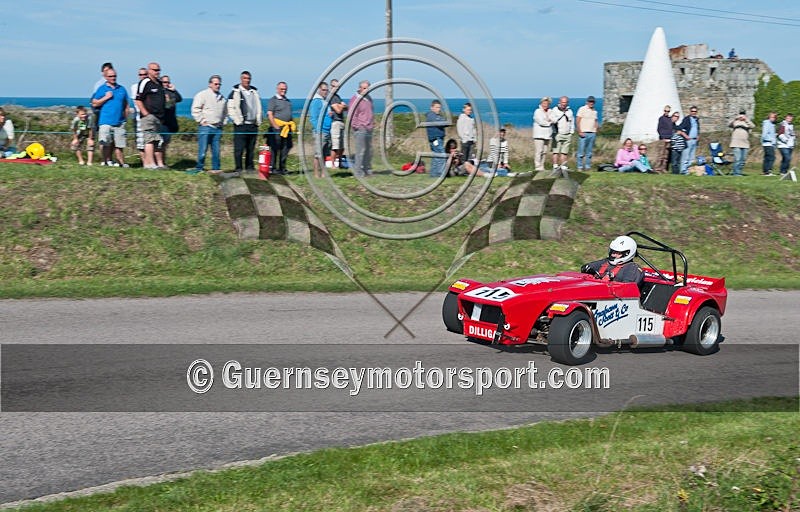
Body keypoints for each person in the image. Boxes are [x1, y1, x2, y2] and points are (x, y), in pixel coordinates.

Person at [91, 66, 130, 167]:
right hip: (105, 121)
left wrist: (125, 118)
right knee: (105, 143)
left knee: (119, 144)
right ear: (106, 77)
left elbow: (126, 104)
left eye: (115, 76)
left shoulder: (122, 89)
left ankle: (121, 162)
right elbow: (94, 103)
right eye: (111, 76)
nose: (113, 78)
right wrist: (106, 97)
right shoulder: (102, 89)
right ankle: (105, 161)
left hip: (119, 121)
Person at [191, 74, 227, 174]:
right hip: (205, 127)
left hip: (217, 128)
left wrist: (223, 123)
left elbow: (225, 112)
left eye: (219, 84)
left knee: (216, 151)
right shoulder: (202, 95)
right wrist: (201, 120)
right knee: (202, 150)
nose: (218, 86)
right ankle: (199, 168)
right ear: (210, 84)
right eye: (216, 84)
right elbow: (195, 109)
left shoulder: (222, 98)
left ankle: (216, 168)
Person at [227, 71, 262, 173]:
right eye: (245, 78)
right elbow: (230, 108)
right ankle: (238, 168)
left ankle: (249, 168)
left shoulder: (254, 92)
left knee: (250, 148)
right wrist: (237, 120)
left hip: (252, 125)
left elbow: (258, 106)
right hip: (241, 125)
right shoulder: (235, 92)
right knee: (239, 148)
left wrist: (258, 120)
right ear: (241, 79)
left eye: (248, 78)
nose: (247, 80)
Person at [135, 62, 167, 169]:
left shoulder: (159, 83)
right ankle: (150, 164)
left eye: (158, 70)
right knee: (149, 140)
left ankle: (158, 163)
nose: (157, 72)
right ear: (149, 70)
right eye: (155, 70)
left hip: (159, 118)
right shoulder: (145, 82)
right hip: (148, 117)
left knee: (158, 141)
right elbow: (138, 99)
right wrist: (146, 114)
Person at [267, 81, 294, 175]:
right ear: (277, 89)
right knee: (275, 148)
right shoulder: (273, 100)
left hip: (287, 129)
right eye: (282, 89)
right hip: (277, 128)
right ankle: (273, 168)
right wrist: (275, 126)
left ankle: (282, 168)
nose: (284, 91)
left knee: (286, 147)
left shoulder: (287, 101)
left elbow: (289, 115)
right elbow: (270, 114)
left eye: (285, 89)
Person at [349, 80, 374, 177]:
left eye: (367, 88)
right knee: (360, 151)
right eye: (364, 88)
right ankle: (358, 171)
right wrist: (357, 126)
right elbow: (352, 115)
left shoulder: (369, 98)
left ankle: (367, 169)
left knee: (369, 150)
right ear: (359, 88)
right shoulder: (355, 99)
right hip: (361, 128)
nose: (365, 90)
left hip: (369, 127)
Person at [309, 81, 332, 178]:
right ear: (319, 89)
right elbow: (313, 118)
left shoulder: (325, 101)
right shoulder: (316, 101)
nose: (325, 92)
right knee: (318, 154)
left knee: (325, 154)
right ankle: (316, 174)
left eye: (327, 90)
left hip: (327, 130)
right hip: (320, 131)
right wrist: (319, 129)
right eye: (323, 90)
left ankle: (323, 173)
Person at [160, 74, 182, 168]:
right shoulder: (159, 92)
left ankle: (163, 162)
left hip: (170, 121)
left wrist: (174, 90)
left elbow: (179, 99)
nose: (166, 84)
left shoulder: (170, 92)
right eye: (164, 82)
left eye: (168, 82)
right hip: (162, 121)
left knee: (165, 143)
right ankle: (160, 162)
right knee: (160, 143)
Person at [551, 96, 574, 173]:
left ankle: (563, 166)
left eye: (565, 102)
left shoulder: (570, 111)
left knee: (565, 152)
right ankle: (555, 166)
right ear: (559, 102)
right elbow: (553, 120)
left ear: (567, 103)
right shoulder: (555, 110)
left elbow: (572, 122)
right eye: (563, 102)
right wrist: (561, 114)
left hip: (567, 134)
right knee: (556, 151)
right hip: (557, 133)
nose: (564, 104)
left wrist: (571, 132)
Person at [728, 110, 755, 176]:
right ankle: (736, 173)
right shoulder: (735, 122)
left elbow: (753, 126)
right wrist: (735, 119)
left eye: (743, 114)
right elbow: (729, 125)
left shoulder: (747, 122)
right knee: (737, 159)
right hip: (736, 143)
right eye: (740, 114)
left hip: (745, 143)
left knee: (743, 160)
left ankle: (739, 171)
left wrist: (746, 120)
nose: (741, 116)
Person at [575, 95, 598, 171]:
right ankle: (580, 167)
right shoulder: (582, 109)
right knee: (581, 151)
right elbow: (578, 120)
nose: (591, 103)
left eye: (592, 102)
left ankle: (588, 166)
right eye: (590, 101)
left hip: (592, 133)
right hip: (583, 132)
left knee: (589, 152)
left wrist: (595, 130)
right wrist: (579, 131)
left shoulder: (594, 111)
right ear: (587, 102)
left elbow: (595, 121)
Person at [425, 99, 447, 178]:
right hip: (436, 139)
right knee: (442, 156)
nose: (439, 109)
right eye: (437, 107)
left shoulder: (434, 116)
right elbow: (443, 123)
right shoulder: (432, 116)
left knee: (436, 157)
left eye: (439, 107)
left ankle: (433, 174)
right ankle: (440, 175)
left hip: (436, 139)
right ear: (432, 107)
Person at [328, 79, 347, 168]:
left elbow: (347, 108)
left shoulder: (337, 97)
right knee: (335, 146)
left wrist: (342, 106)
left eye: (338, 87)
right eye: (335, 86)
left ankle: (339, 163)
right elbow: (338, 110)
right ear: (331, 86)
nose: (337, 88)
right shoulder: (331, 97)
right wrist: (342, 105)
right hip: (335, 122)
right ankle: (332, 164)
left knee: (342, 146)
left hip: (341, 122)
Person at [532, 96, 554, 171]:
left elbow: (554, 119)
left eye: (547, 103)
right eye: (544, 103)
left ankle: (542, 165)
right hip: (539, 135)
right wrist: (549, 122)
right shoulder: (537, 111)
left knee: (544, 151)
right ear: (541, 103)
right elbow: (541, 122)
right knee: (539, 151)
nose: (545, 105)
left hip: (547, 135)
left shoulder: (550, 111)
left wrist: (550, 121)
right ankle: (537, 166)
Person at [131, 67, 148, 164]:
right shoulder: (134, 87)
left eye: (145, 74)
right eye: (141, 75)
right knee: (141, 142)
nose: (143, 76)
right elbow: (137, 102)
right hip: (139, 117)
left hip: (149, 118)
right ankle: (145, 162)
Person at [678, 106, 700, 175]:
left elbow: (698, 129)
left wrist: (698, 136)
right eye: (692, 111)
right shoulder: (686, 119)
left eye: (695, 111)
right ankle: (683, 170)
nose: (693, 113)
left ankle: (688, 170)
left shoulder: (696, 120)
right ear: (690, 112)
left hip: (694, 140)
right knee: (685, 157)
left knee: (691, 157)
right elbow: (680, 128)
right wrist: (686, 136)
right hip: (688, 140)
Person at [655, 105, 674, 173]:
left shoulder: (670, 119)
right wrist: (663, 137)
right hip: (663, 139)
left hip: (669, 139)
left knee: (666, 156)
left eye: (668, 111)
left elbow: (671, 129)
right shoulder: (661, 118)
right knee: (660, 155)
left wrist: (671, 137)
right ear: (664, 111)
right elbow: (659, 129)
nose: (666, 112)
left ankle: (663, 168)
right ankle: (657, 169)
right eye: (665, 111)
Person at [761, 111, 778, 176]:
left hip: (770, 144)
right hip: (768, 143)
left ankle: (765, 171)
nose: (774, 118)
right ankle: (768, 171)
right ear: (769, 117)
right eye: (772, 117)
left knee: (767, 158)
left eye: (775, 117)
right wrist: (770, 140)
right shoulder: (767, 123)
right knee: (772, 157)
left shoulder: (772, 124)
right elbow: (764, 134)